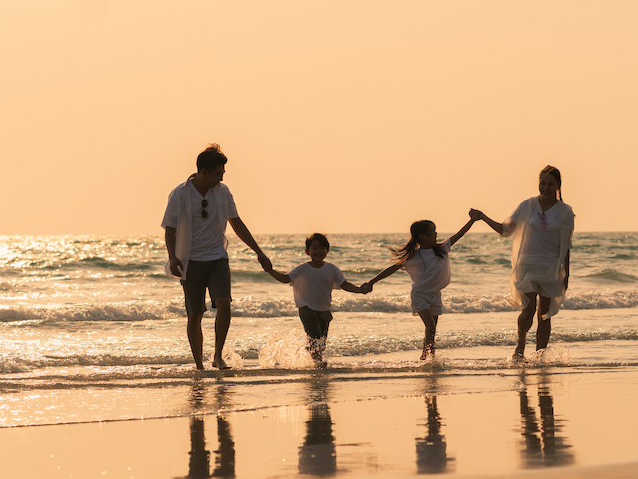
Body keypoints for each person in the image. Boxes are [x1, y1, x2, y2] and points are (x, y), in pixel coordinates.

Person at [162, 144, 272, 370]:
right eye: (218, 173)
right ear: (204, 172)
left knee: (224, 304)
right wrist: (173, 258)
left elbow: (236, 222)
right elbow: (169, 228)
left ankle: (218, 356)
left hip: (217, 259)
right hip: (190, 261)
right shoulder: (180, 194)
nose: (221, 178)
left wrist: (258, 251)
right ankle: (199, 365)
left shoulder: (223, 192)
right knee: (195, 314)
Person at [472, 165, 575, 362]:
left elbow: (566, 246)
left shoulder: (565, 212)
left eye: (550, 184)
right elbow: (505, 230)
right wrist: (483, 217)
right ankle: (520, 346)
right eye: (542, 183)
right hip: (527, 265)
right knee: (527, 309)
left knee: (544, 315)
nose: (545, 188)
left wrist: (566, 275)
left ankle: (540, 356)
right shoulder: (527, 206)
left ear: (558, 186)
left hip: (551, 267)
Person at [362, 213, 478, 360]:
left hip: (435, 295)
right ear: (422, 236)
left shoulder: (442, 248)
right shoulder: (413, 256)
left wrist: (472, 220)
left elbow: (460, 234)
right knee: (430, 327)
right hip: (420, 295)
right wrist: (372, 282)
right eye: (433, 231)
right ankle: (427, 357)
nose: (436, 233)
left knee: (431, 330)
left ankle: (427, 357)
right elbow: (391, 269)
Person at [267, 233, 366, 368]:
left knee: (321, 343)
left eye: (322, 248)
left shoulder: (332, 269)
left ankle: (308, 358)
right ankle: (317, 362)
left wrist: (359, 289)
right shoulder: (302, 269)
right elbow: (285, 279)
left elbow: (345, 284)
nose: (319, 251)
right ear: (307, 251)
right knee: (314, 337)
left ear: (327, 251)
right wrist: (270, 271)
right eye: (315, 248)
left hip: (325, 311)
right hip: (307, 309)